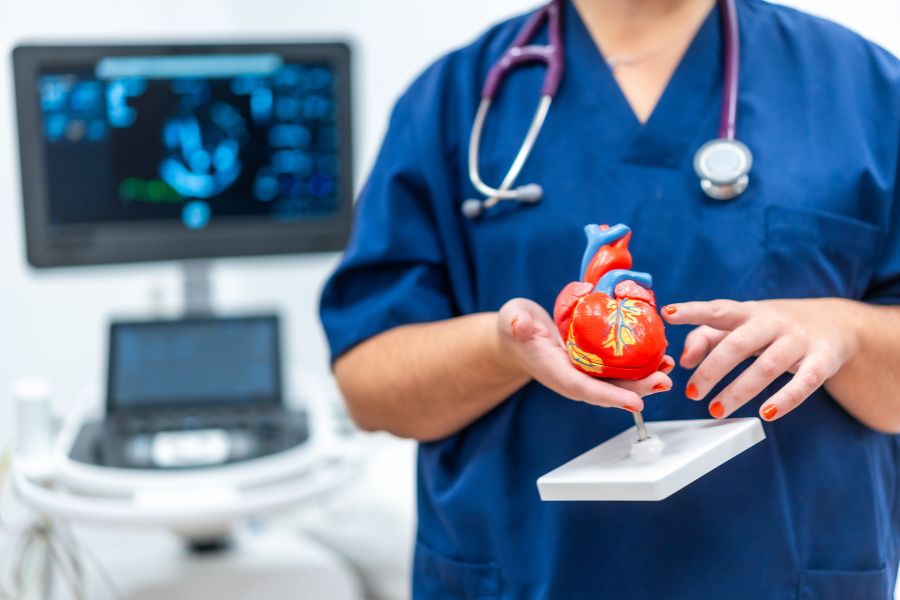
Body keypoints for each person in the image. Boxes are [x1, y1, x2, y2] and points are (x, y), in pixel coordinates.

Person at [320, 0, 900, 597]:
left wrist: (846, 331)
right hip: (525, 575)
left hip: (781, 576)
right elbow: (370, 387)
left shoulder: (863, 91)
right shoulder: (454, 102)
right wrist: (500, 349)